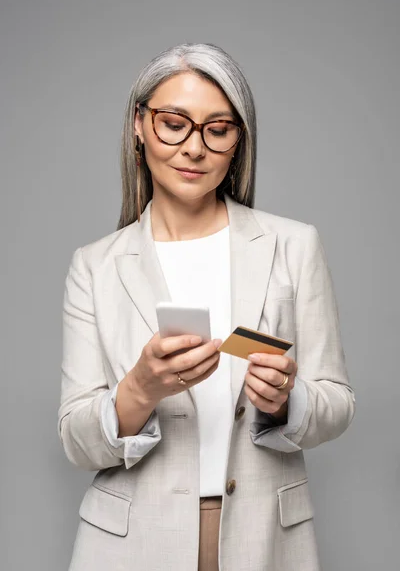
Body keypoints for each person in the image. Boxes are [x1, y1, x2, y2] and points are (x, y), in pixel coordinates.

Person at [59, 43, 355, 571]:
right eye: (174, 123)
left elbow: (336, 403)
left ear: (238, 142)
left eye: (217, 129)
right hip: (128, 548)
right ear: (139, 125)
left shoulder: (294, 245)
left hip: (266, 542)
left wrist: (288, 401)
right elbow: (78, 442)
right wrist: (139, 389)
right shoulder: (95, 266)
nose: (194, 148)